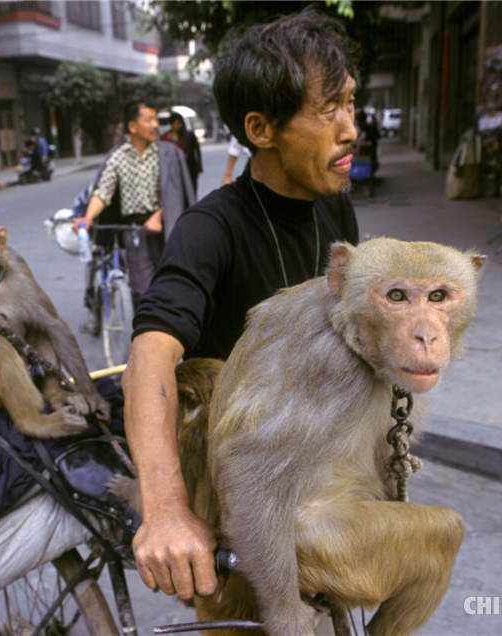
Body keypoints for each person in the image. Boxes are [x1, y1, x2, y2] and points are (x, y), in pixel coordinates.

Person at [121, 7, 361, 601]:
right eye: (328, 110)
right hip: (237, 479)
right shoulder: (210, 229)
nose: (351, 128)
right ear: (262, 129)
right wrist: (168, 510)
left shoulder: (334, 208)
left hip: (311, 454)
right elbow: (150, 354)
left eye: (351, 104)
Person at [71, 100, 195, 313]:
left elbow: (179, 194)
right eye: (149, 119)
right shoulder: (118, 157)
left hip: (166, 229)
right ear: (132, 127)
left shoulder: (169, 153)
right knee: (144, 291)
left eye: (156, 119)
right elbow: (103, 192)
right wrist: (88, 218)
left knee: (173, 284)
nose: (155, 124)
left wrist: (159, 215)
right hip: (135, 232)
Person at [161, 112, 203, 194]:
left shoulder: (189, 135)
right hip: (173, 173)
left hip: (190, 170)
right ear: (171, 125)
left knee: (191, 192)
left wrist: (199, 167)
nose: (179, 126)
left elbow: (197, 151)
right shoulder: (165, 138)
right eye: (177, 123)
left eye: (180, 123)